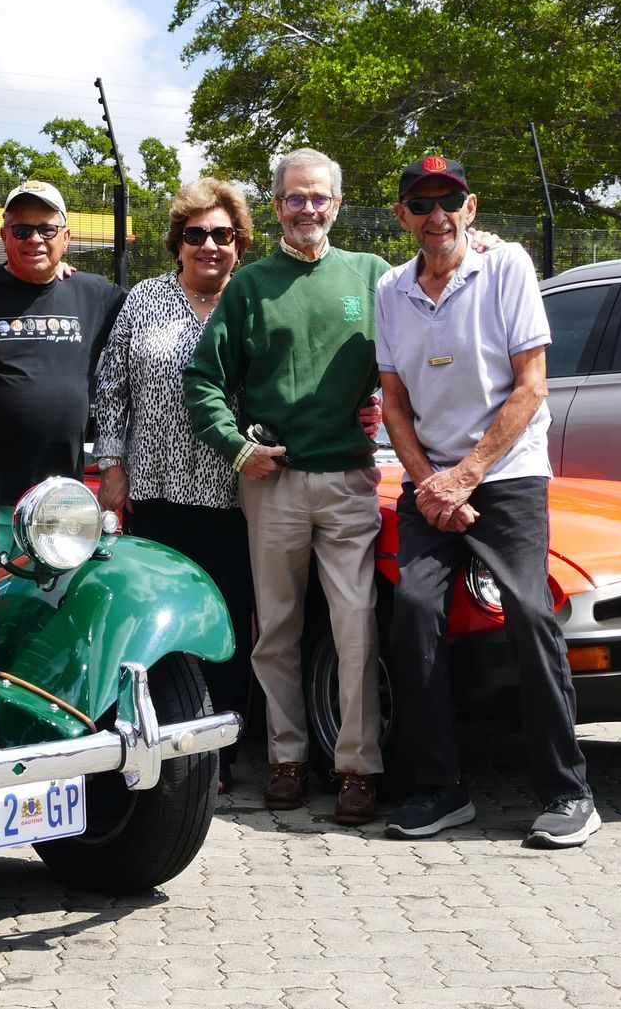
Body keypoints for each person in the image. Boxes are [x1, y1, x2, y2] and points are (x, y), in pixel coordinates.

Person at [375, 154, 598, 849]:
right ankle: (440, 788)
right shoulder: (390, 289)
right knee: (411, 611)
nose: (436, 216)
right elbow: (394, 400)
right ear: (403, 215)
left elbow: (531, 386)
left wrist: (466, 476)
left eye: (449, 201)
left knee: (530, 610)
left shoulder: (508, 268)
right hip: (430, 481)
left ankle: (569, 792)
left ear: (470, 208)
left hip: (506, 472)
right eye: (421, 203)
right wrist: (427, 483)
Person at [184, 148, 388, 827]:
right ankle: (286, 758)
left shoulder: (372, 276)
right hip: (273, 483)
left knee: (354, 624)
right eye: (294, 198)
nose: (307, 209)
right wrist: (237, 448)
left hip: (349, 478)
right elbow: (203, 379)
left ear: (337, 203)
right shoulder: (250, 286)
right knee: (275, 629)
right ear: (276, 206)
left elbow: (410, 358)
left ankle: (357, 765)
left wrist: (388, 403)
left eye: (319, 197)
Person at [93, 179, 259, 790]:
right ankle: (165, 745)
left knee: (227, 622)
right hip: (156, 489)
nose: (209, 246)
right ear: (177, 243)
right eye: (196, 235)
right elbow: (111, 388)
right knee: (162, 620)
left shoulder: (253, 300)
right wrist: (112, 466)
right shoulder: (144, 300)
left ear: (239, 243)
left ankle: (221, 754)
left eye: (221, 234)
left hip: (232, 493)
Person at [0, 181, 124, 505]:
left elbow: (149, 329)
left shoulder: (95, 294)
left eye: (47, 230)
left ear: (66, 238)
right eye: (22, 230)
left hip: (60, 502)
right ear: (4, 237)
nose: (34, 239)